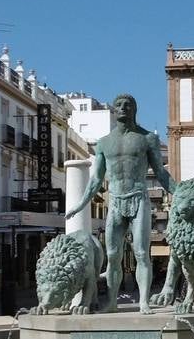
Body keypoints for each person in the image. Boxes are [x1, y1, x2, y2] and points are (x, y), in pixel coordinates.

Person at [66, 94, 176, 314]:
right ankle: (113, 302)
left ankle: (143, 301)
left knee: (142, 253)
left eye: (128, 105)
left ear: (135, 109)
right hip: (115, 201)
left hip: (138, 198)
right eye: (119, 105)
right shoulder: (104, 142)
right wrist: (80, 204)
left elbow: (161, 173)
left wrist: (179, 192)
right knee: (113, 256)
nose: (123, 107)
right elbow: (96, 179)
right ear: (114, 111)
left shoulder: (147, 139)